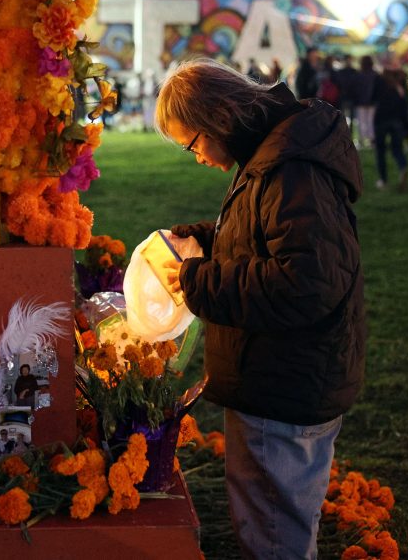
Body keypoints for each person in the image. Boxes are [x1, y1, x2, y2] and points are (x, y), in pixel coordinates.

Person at [154, 57, 365, 559]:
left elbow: (305, 282)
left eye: (193, 144)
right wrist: (206, 239)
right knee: (275, 523)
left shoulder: (290, 166)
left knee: (274, 536)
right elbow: (270, 238)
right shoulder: (274, 153)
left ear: (218, 120)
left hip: (283, 385)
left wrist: (198, 281)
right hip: (282, 376)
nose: (197, 158)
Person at [371, 57, 408, 191]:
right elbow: (406, 101)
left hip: (381, 118)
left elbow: (372, 97)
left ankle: (383, 180)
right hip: (397, 119)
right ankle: (403, 167)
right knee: (397, 148)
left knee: (380, 150)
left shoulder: (379, 79)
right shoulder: (402, 79)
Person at [352, 55, 377, 149]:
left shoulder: (359, 75)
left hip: (360, 101)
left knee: (361, 121)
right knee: (371, 121)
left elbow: (355, 89)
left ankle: (362, 140)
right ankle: (372, 141)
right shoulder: (375, 75)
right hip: (372, 102)